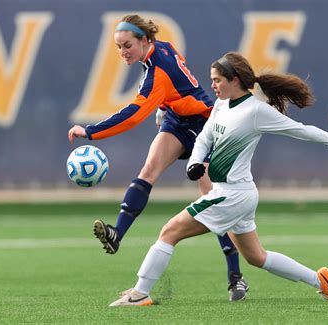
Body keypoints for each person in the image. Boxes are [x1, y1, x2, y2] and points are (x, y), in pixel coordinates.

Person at [109, 51, 328, 307]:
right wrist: (195, 162)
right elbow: (205, 137)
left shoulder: (255, 111)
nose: (212, 85)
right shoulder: (221, 104)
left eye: (218, 80)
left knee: (169, 231)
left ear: (235, 80)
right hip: (237, 193)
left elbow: (300, 131)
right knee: (257, 257)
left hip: (231, 195)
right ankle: (321, 281)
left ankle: (140, 294)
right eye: (212, 79)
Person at [67, 15, 249, 301]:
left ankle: (235, 276)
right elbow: (180, 87)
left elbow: (131, 117)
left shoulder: (157, 73)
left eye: (127, 45)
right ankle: (117, 234)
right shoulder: (162, 48)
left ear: (143, 41)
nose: (122, 52)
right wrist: (166, 107)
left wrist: (90, 131)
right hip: (178, 120)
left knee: (213, 198)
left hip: (204, 125)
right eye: (118, 47)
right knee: (149, 169)